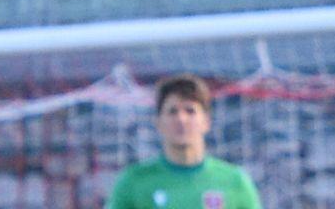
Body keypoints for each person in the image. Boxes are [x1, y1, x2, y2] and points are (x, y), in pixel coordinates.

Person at [106, 74, 262, 209]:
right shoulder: (133, 182)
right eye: (172, 111)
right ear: (158, 122)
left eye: (190, 111)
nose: (181, 119)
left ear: (206, 121)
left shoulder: (234, 181)